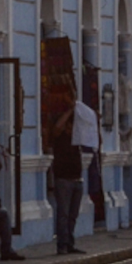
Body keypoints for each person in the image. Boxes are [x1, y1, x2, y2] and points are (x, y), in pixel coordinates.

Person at [51, 108, 86, 255]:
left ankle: (70, 243)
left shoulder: (77, 140)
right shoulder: (60, 138)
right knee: (63, 214)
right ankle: (62, 245)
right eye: (71, 126)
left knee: (73, 215)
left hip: (77, 179)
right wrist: (69, 111)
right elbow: (57, 128)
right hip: (64, 180)